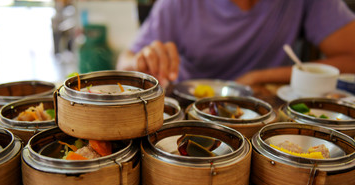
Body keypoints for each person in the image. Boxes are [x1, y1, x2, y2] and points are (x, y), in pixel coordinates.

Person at [116, 0, 355, 87]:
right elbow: (124, 63)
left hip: (269, 116)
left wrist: (259, 77)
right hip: (189, 114)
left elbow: (351, 58)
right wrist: (141, 62)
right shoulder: (176, 4)